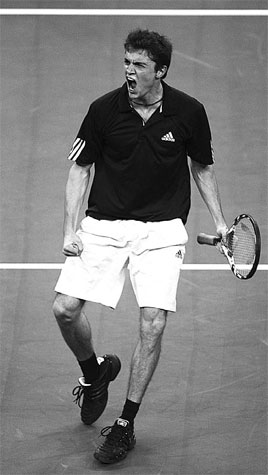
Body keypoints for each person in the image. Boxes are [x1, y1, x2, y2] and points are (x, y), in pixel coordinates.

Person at [52, 28, 228, 464]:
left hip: (162, 230)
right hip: (104, 224)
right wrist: (70, 229)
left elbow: (201, 167)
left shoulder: (189, 112)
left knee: (153, 323)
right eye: (126, 63)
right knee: (64, 309)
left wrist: (222, 223)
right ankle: (95, 373)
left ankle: (125, 425)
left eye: (139, 65)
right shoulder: (102, 110)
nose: (129, 72)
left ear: (160, 71)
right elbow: (80, 169)